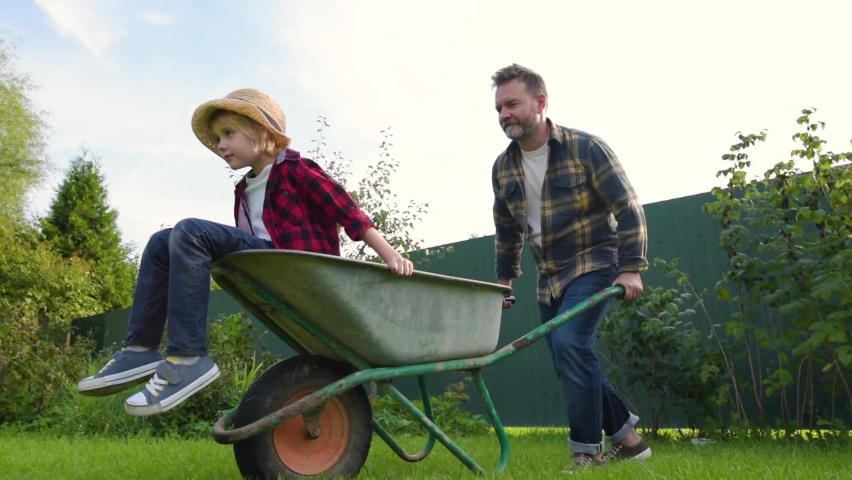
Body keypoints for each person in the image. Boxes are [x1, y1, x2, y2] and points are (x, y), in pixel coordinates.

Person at [76, 88, 414, 417]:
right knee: (161, 241)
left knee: (190, 229)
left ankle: (188, 357)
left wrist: (390, 255)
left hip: (299, 265)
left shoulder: (297, 170)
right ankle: (140, 349)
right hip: (266, 266)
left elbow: (347, 211)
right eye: (218, 138)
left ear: (261, 133)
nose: (221, 145)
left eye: (228, 134)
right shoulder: (243, 189)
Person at [489, 64, 651, 470]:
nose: (505, 114)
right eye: (498, 108)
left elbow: (628, 208)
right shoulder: (503, 168)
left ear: (540, 102)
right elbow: (506, 230)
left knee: (570, 346)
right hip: (550, 278)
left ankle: (586, 452)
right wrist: (503, 282)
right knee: (569, 358)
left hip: (595, 261)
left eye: (512, 104)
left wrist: (631, 268)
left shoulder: (585, 148)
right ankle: (630, 441)